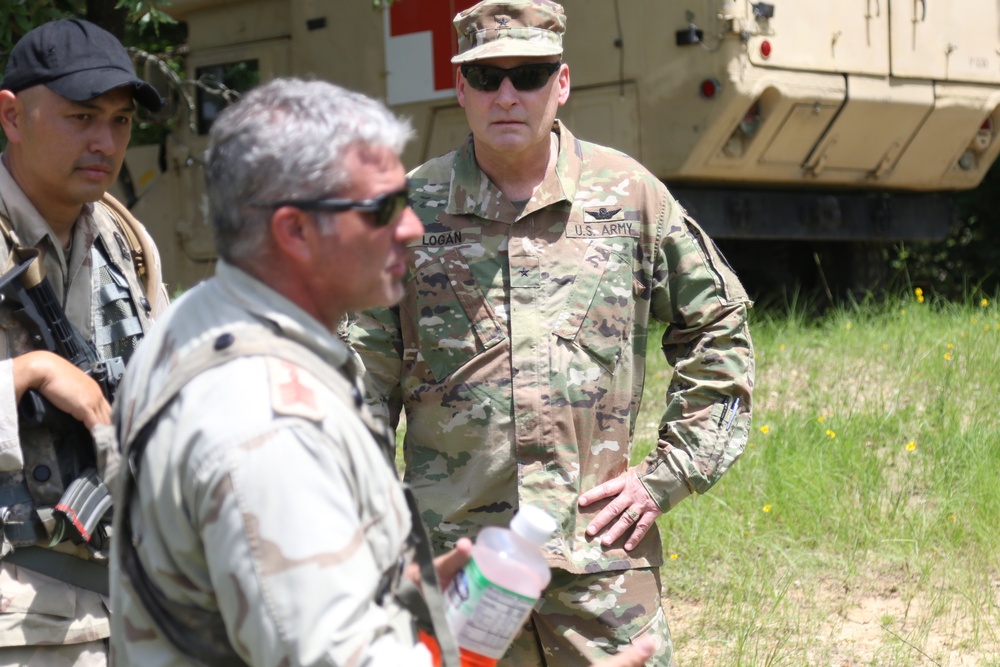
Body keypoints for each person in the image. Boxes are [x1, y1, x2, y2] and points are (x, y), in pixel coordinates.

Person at [109, 77, 656, 667]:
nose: (413, 228)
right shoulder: (270, 422)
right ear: (293, 231)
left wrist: (406, 600)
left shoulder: (196, 324)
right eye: (382, 208)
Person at [344, 1, 756, 665]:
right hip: (457, 564)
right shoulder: (409, 213)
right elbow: (357, 379)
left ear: (561, 83)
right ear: (460, 88)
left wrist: (668, 473)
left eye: (529, 73)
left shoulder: (628, 197)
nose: (507, 94)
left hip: (599, 570)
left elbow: (720, 324)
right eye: (486, 77)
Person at [0, 18, 168, 667]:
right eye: (82, 117)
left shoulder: (125, 241)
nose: (106, 141)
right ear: (12, 117)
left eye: (121, 121)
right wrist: (28, 371)